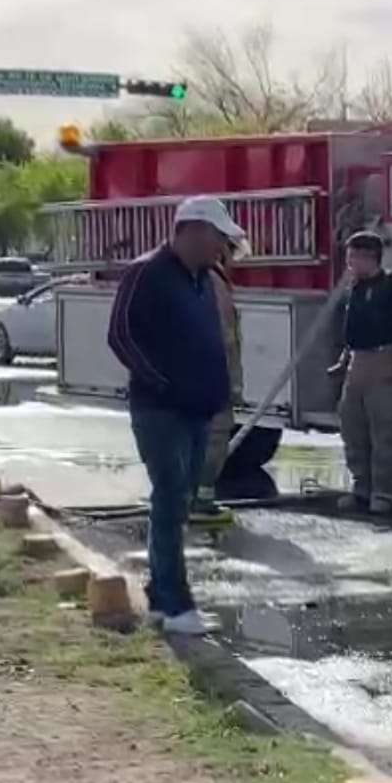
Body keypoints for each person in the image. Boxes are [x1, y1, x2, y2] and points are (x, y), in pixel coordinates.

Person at [107, 196, 240, 636]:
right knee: (169, 497)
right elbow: (120, 335)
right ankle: (176, 602)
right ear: (193, 231)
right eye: (217, 238)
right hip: (160, 410)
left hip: (198, 408)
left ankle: (162, 596)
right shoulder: (148, 272)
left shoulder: (205, 278)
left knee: (179, 500)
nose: (221, 247)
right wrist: (162, 382)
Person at [333, 231, 392, 515]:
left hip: (385, 360)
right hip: (357, 361)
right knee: (352, 425)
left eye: (353, 258)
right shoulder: (354, 288)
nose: (349, 264)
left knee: (384, 429)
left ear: (369, 257)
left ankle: (384, 492)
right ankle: (361, 488)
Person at [194, 242, 243, 519]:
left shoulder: (198, 277)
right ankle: (200, 500)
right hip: (212, 375)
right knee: (215, 436)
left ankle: (195, 496)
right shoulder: (213, 280)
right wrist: (232, 383)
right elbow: (226, 337)